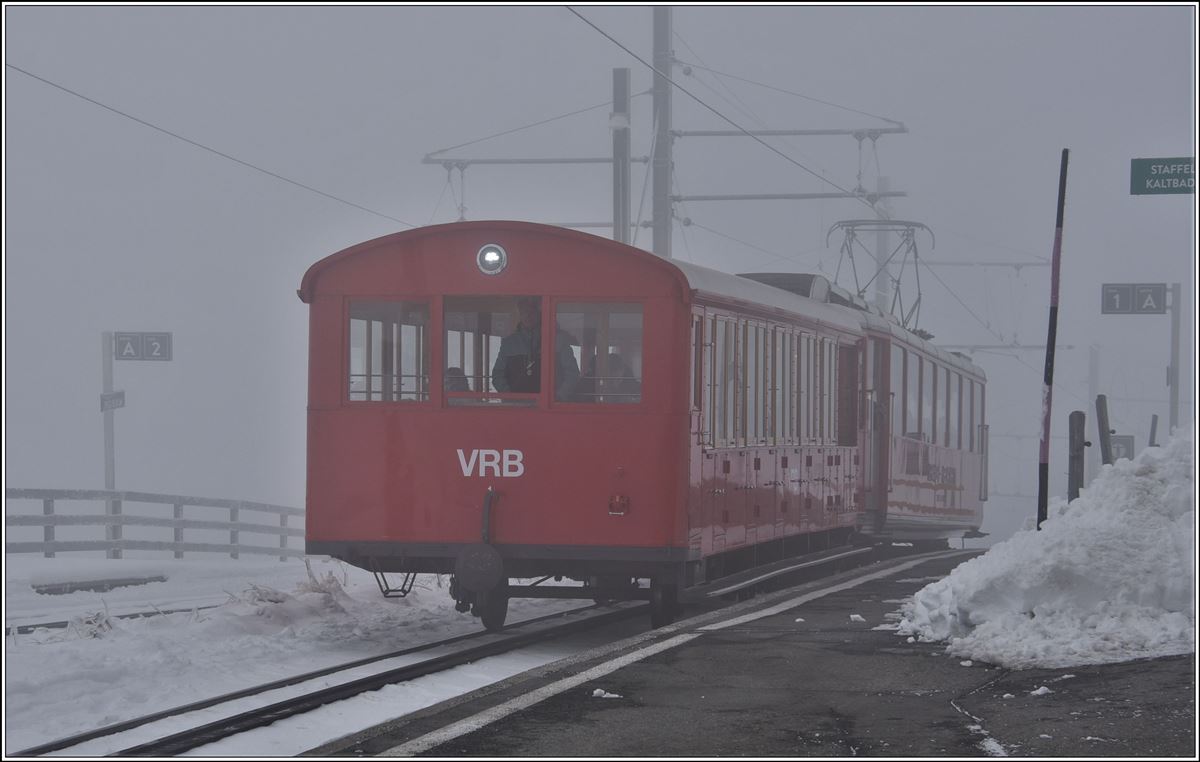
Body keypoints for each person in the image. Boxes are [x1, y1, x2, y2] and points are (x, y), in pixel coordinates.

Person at [490, 297, 580, 397]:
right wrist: (510, 396)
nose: (528, 315)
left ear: (539, 313)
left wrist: (559, 397)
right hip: (517, 407)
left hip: (549, 408)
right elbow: (497, 375)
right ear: (520, 314)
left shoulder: (558, 341)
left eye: (531, 311)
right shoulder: (508, 343)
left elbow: (573, 374)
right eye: (524, 312)